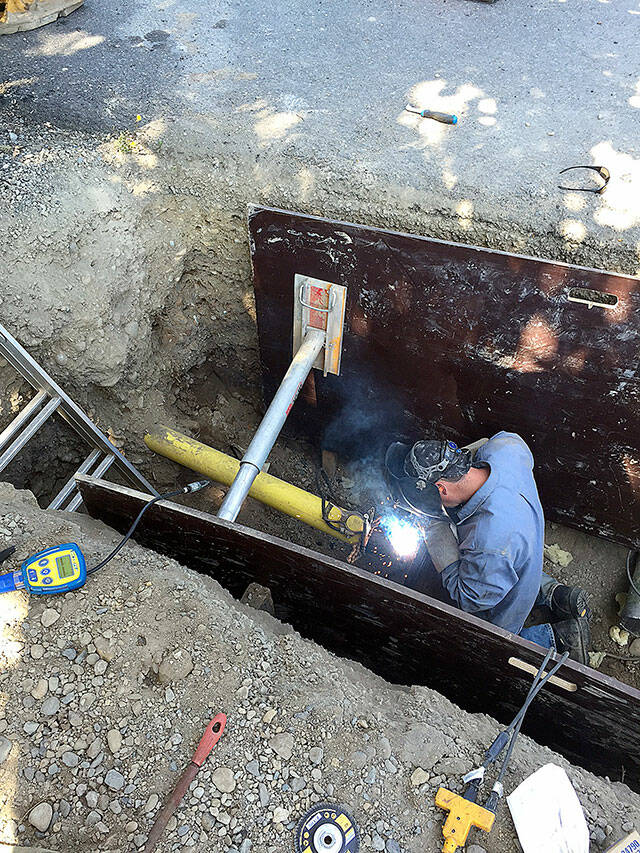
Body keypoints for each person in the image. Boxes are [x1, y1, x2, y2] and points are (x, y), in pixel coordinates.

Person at [383, 431, 591, 663]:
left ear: (442, 489)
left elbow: (467, 597)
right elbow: (490, 447)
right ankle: (556, 594)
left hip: (505, 595)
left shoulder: (488, 541)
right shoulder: (504, 448)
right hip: (523, 545)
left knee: (484, 647)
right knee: (508, 564)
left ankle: (556, 638)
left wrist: (433, 530)